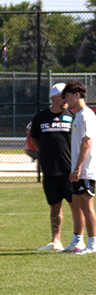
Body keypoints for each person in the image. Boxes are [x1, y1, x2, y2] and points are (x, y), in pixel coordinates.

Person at [28, 84, 74, 251]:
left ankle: (79, 240)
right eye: (63, 96)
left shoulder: (73, 116)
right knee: (55, 206)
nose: (66, 100)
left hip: (70, 171)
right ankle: (56, 241)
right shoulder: (40, 117)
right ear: (53, 98)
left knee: (75, 205)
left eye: (67, 96)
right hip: (50, 170)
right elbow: (35, 140)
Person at [64, 81, 96, 255]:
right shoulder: (78, 115)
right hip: (77, 170)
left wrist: (78, 168)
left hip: (86, 170)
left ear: (77, 94)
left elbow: (87, 142)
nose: (66, 99)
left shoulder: (86, 115)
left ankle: (93, 243)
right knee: (76, 204)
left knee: (87, 205)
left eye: (68, 95)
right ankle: (77, 241)